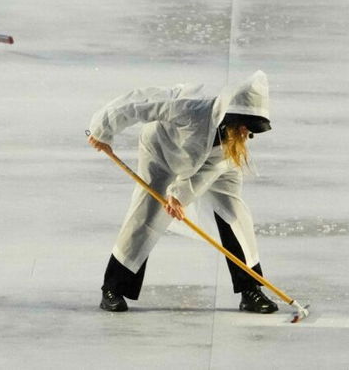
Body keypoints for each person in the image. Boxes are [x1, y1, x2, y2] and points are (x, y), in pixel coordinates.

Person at [86, 70, 280, 314]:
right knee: (146, 213)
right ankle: (113, 288)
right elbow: (140, 102)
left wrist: (180, 195)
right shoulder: (191, 108)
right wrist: (102, 128)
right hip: (162, 152)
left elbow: (209, 169)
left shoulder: (235, 139)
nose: (246, 134)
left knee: (234, 214)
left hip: (216, 164)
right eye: (243, 126)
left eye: (251, 129)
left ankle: (250, 289)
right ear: (229, 116)